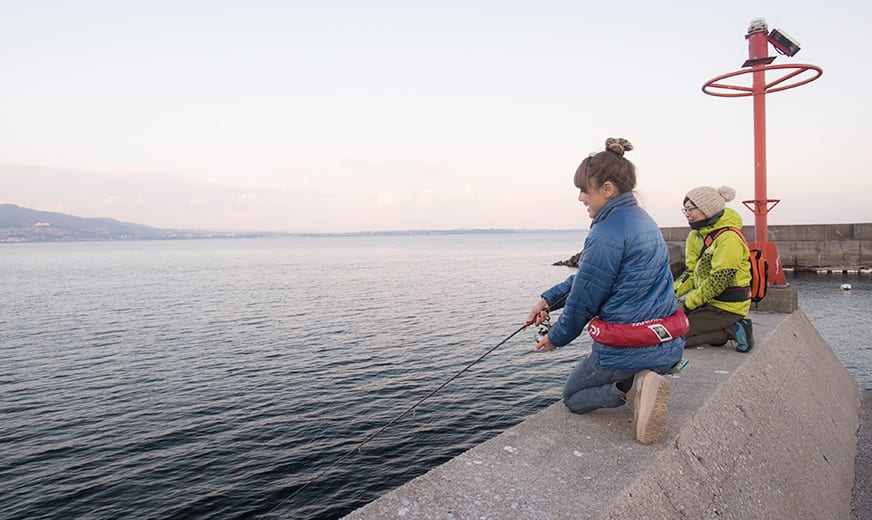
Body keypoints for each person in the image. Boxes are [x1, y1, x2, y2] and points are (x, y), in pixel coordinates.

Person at [526, 137, 686, 445]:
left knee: (572, 397)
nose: (581, 198)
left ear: (608, 189)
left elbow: (585, 299)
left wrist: (554, 338)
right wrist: (547, 299)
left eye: (585, 190)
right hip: (666, 344)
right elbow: (591, 278)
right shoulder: (644, 221)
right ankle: (644, 379)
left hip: (627, 352)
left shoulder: (605, 232)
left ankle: (631, 390)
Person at [673, 185, 754, 352]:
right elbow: (691, 272)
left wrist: (686, 304)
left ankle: (733, 328)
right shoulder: (695, 235)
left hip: (728, 306)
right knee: (667, 326)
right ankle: (716, 330)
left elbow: (719, 280)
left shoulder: (729, 238)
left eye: (690, 209)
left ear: (707, 209)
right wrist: (671, 295)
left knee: (675, 338)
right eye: (685, 209)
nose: (687, 214)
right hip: (707, 302)